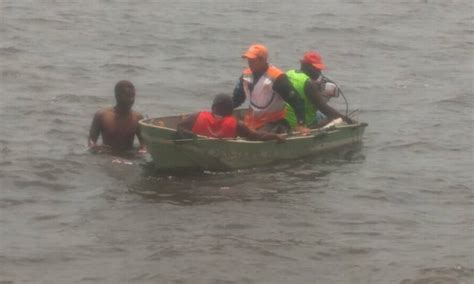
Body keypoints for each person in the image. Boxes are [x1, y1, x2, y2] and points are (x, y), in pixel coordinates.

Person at [232, 44, 309, 134]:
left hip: (273, 123)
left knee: (257, 136)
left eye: (252, 60)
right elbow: (237, 99)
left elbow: (297, 101)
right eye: (248, 60)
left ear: (263, 60)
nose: (249, 63)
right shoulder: (246, 75)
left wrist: (301, 124)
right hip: (251, 122)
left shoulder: (277, 77)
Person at [284, 51, 353, 129]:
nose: (319, 72)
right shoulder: (309, 84)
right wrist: (344, 118)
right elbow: (324, 108)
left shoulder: (289, 73)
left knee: (319, 113)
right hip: (303, 124)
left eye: (319, 69)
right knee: (333, 118)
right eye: (316, 69)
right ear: (306, 66)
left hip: (286, 120)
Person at [177, 94, 284, 142]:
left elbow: (180, 127)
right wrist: (275, 136)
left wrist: (189, 136)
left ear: (213, 107)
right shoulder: (237, 125)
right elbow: (256, 136)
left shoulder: (197, 116)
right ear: (231, 111)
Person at [88, 80, 146, 154]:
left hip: (129, 156)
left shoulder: (138, 118)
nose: (130, 100)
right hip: (107, 157)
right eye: (126, 95)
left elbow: (144, 142)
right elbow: (91, 140)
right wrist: (95, 147)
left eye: (132, 96)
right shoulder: (101, 115)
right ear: (117, 96)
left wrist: (143, 150)